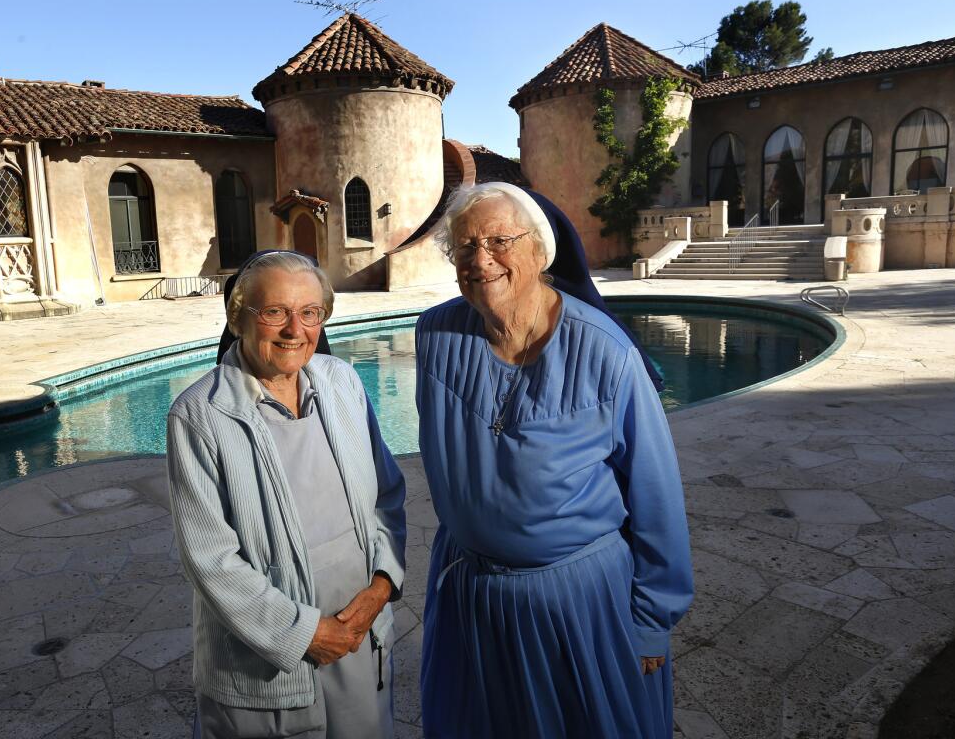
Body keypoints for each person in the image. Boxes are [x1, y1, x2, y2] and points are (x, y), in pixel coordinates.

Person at [416, 182, 693, 738]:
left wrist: (650, 623)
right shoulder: (435, 336)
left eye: (500, 240)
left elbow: (655, 494)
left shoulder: (607, 353)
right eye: (464, 247)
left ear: (541, 252)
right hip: (472, 600)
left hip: (578, 608)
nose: (481, 260)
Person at [166, 250, 406, 739]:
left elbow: (387, 495)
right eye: (274, 312)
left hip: (360, 634)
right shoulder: (199, 416)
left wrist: (382, 584)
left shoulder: (342, 383)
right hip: (268, 660)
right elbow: (209, 558)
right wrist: (305, 634)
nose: (295, 329)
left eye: (310, 313)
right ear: (238, 319)